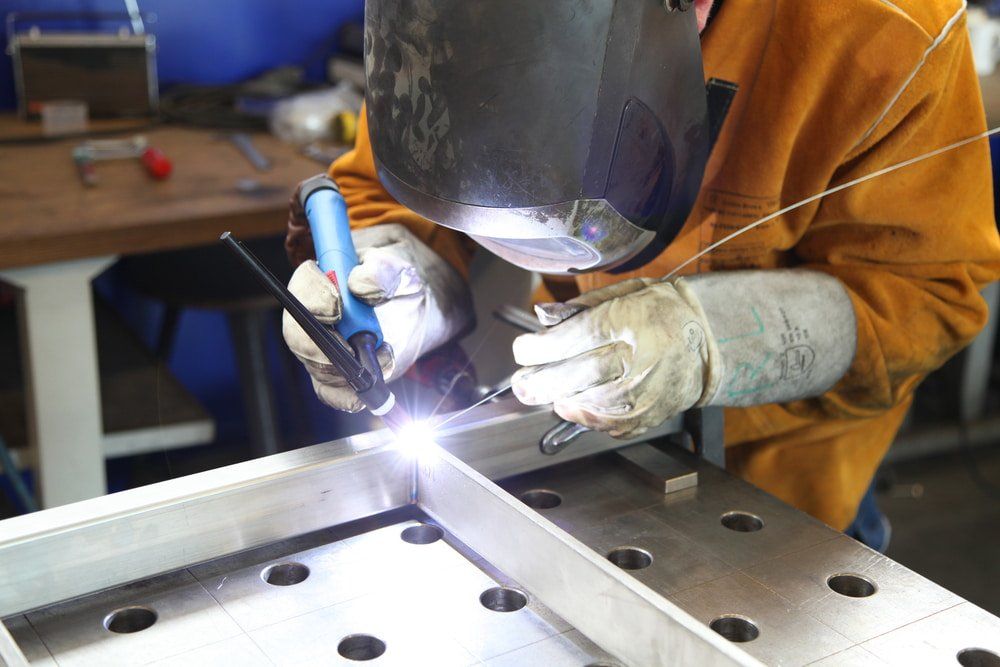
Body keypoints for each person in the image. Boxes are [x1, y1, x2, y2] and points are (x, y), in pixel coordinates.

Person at [283, 0, 1000, 542]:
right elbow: (394, 187)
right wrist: (403, 283)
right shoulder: (449, 17)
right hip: (583, 465)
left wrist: (709, 340)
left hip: (786, 502)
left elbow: (923, 297)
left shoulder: (882, 28)